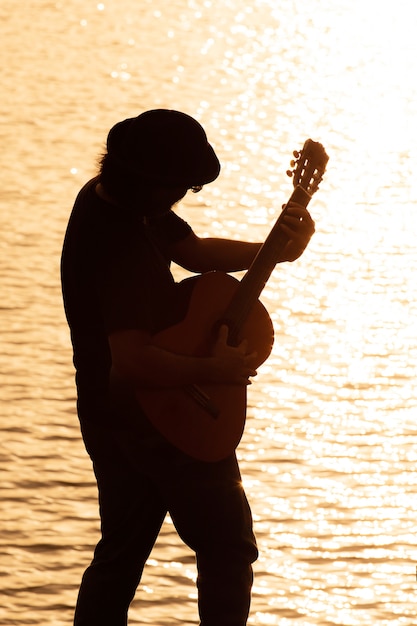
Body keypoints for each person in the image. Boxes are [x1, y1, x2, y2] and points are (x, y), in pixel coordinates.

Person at [61, 109, 315, 626]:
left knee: (120, 557)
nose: (184, 195)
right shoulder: (118, 244)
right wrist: (218, 371)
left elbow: (194, 253)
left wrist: (276, 252)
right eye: (180, 186)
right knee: (228, 550)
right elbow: (133, 362)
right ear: (151, 183)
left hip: (109, 415)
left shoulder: (117, 197)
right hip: (162, 415)